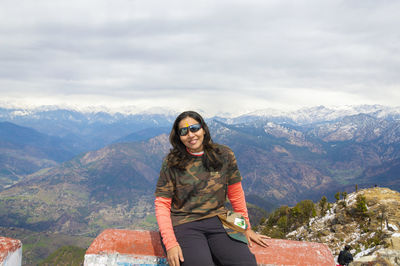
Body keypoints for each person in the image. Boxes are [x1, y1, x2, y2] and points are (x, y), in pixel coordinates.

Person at [155, 111, 270, 266]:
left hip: (220, 219)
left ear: (203, 129)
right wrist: (170, 244)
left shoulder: (224, 155)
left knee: (246, 262)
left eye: (194, 128)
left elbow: (236, 194)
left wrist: (246, 228)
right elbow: (162, 204)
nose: (190, 135)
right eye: (184, 131)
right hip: (185, 223)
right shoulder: (172, 162)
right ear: (179, 137)